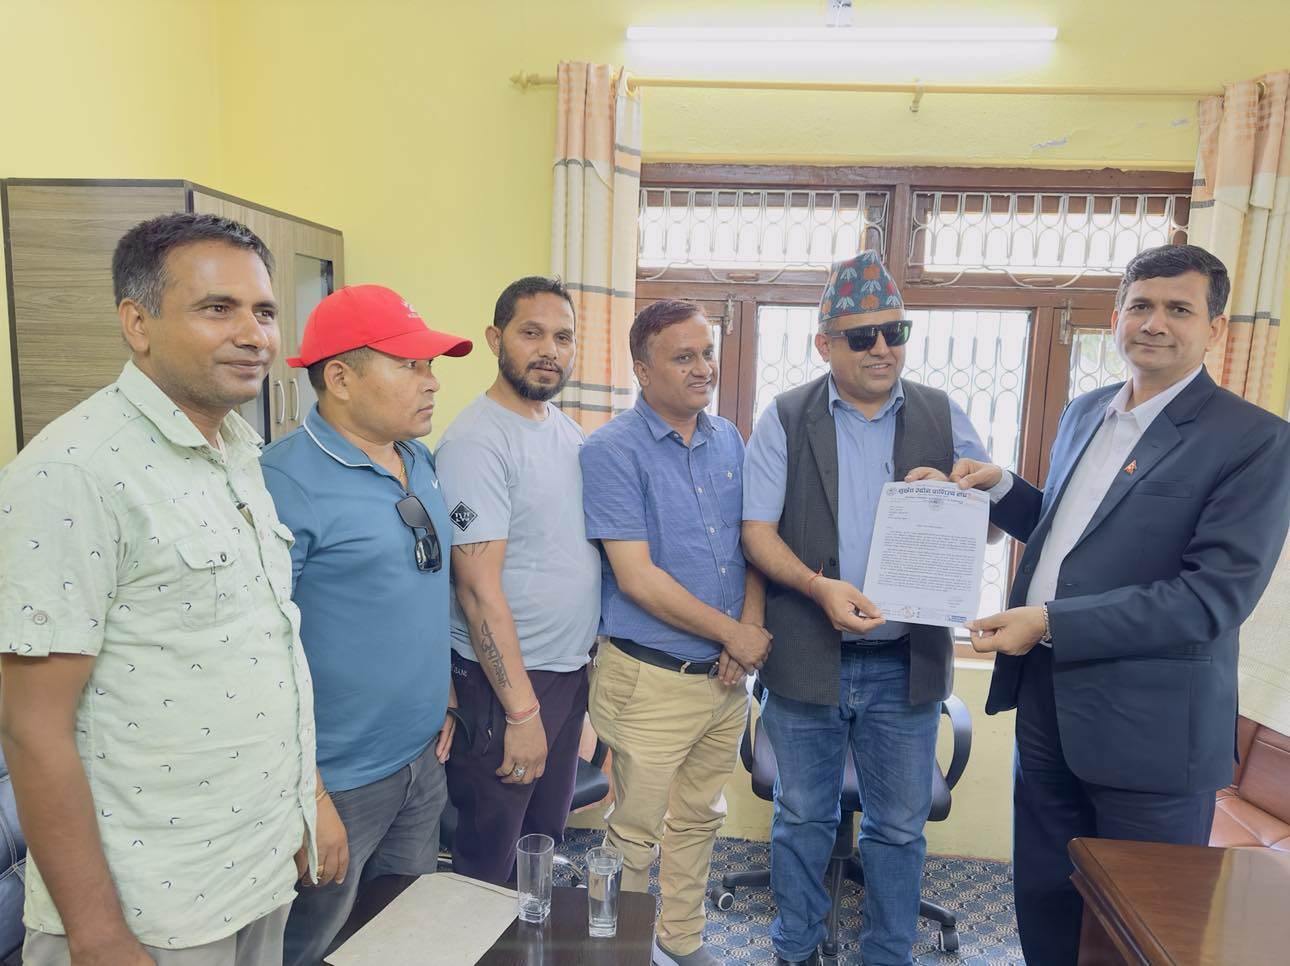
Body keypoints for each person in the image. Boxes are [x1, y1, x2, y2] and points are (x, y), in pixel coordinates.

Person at [942, 244, 1290, 965]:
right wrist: (1001, 487)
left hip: (1152, 731)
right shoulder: (1085, 412)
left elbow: (1211, 598)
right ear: (1116, 318)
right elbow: (1072, 537)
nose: (1154, 323)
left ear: (1214, 329)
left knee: (1139, 925)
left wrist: (1047, 623)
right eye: (1141, 306)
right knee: (1045, 895)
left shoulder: (1255, 440)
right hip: (1048, 704)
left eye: (1178, 309)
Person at [0, 213, 318, 966]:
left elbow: (263, 652)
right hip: (149, 910)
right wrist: (97, 934)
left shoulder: (237, 450)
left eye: (264, 311)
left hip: (253, 869)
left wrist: (304, 809)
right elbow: (32, 728)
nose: (254, 335)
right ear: (137, 323)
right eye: (218, 308)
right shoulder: (73, 473)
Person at [741, 251, 991, 966]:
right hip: (807, 657)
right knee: (801, 819)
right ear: (824, 344)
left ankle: (888, 953)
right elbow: (755, 532)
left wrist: (959, 496)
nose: (883, 347)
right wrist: (817, 587)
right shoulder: (786, 416)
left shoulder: (943, 414)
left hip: (904, 665)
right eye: (862, 336)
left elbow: (990, 527)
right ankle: (796, 948)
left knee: (900, 830)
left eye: (895, 331)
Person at [259, 284, 472, 964]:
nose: (431, 382)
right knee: (311, 943)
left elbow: (422, 586)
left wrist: (441, 691)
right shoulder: (282, 482)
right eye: (409, 365)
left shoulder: (418, 460)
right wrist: (311, 793)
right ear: (341, 378)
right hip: (338, 780)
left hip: (419, 760)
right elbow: (260, 651)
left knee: (403, 933)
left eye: (430, 366)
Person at [579, 300, 770, 966]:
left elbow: (752, 545)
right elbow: (637, 578)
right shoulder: (610, 450)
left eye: (707, 353)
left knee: (699, 820)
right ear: (642, 368)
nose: (702, 368)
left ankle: (681, 940)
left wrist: (747, 630)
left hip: (723, 678)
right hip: (650, 680)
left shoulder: (729, 439)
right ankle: (618, 953)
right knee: (634, 835)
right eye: (683, 356)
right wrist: (735, 634)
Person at [435, 276, 601, 884]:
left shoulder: (564, 430)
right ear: (494, 338)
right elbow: (476, 592)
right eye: (532, 333)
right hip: (505, 684)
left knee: (540, 847)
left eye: (563, 337)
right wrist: (523, 713)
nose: (549, 350)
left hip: (562, 675)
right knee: (490, 859)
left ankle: (525, 935)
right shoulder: (477, 442)